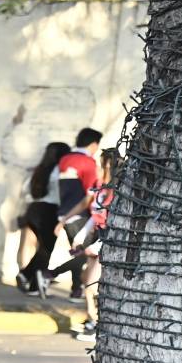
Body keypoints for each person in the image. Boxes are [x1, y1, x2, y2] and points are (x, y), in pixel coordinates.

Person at [60, 146, 119, 341]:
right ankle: (93, 320)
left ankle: (96, 325)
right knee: (88, 281)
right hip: (97, 240)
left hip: (109, 242)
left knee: (92, 285)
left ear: (109, 166)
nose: (97, 169)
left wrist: (99, 244)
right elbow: (95, 216)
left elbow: (114, 223)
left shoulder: (117, 192)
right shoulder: (100, 188)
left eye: (101, 166)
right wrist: (81, 236)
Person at [51, 128, 102, 297]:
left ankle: (76, 290)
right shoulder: (88, 163)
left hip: (64, 213)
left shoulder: (65, 159)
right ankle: (51, 274)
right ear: (93, 144)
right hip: (79, 215)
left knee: (79, 252)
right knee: (85, 254)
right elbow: (89, 195)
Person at [16, 140, 70, 295]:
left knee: (43, 249)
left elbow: (26, 190)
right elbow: (62, 192)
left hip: (33, 209)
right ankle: (27, 276)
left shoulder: (39, 169)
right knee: (46, 249)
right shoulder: (60, 171)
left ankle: (34, 285)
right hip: (49, 210)